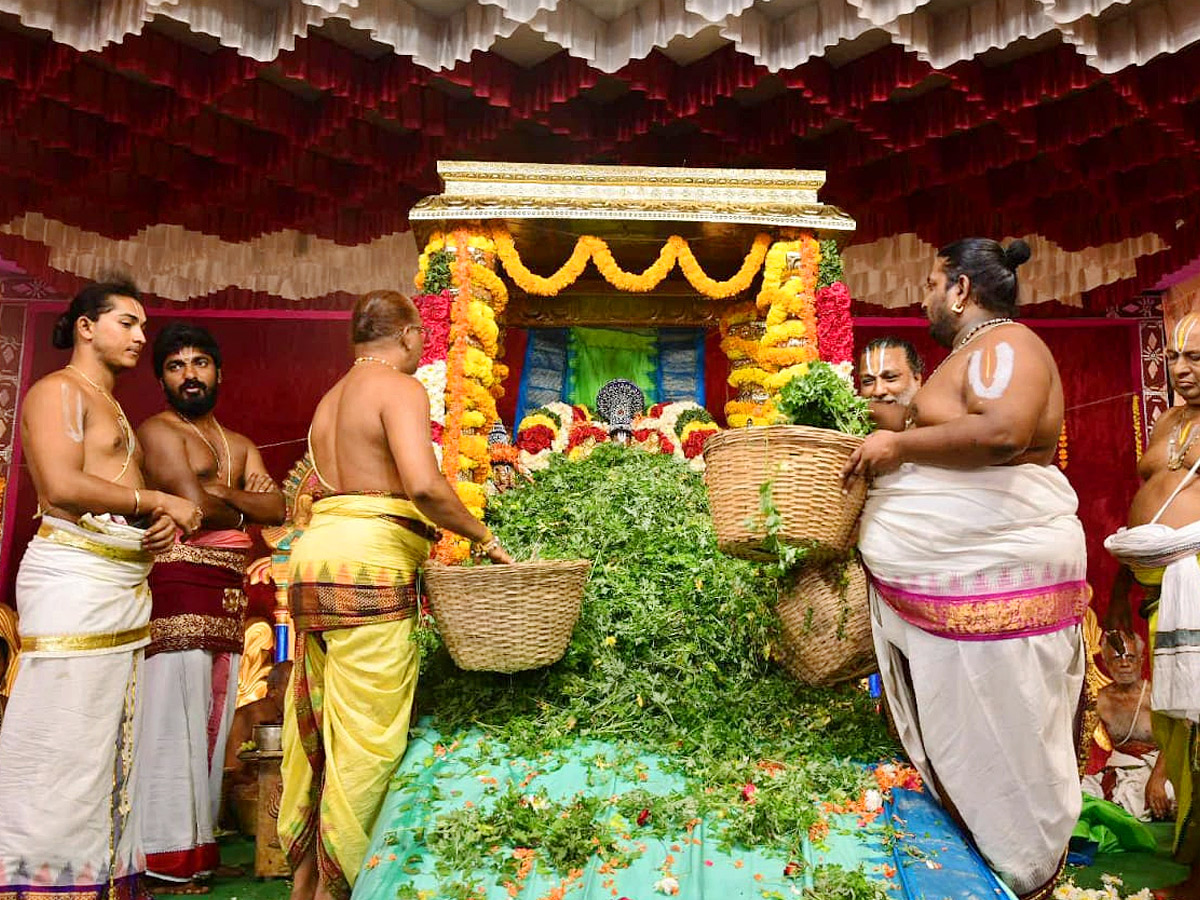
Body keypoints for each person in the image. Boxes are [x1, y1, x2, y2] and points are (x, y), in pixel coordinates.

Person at [845, 238, 1088, 900]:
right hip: (960, 573)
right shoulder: (971, 357)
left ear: (959, 290)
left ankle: (1023, 868)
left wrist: (896, 443)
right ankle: (990, 862)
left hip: (997, 565)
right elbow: (922, 421)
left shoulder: (1008, 347)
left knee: (1007, 730)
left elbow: (1001, 432)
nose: (922, 296)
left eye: (930, 283)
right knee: (971, 729)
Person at [279, 290, 514, 900]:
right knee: (366, 739)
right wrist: (484, 537)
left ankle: (303, 882)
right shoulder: (400, 388)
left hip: (312, 562)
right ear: (410, 335)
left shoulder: (330, 399)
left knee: (317, 731)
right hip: (368, 567)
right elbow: (423, 485)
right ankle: (347, 885)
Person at [0, 280, 202, 900]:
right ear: (86, 326)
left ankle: (90, 881)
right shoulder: (56, 391)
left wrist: (153, 519)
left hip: (114, 582)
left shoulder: (106, 401)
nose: (142, 336)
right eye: (127, 323)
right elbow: (61, 486)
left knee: (103, 742)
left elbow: (111, 489)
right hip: (74, 581)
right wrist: (158, 498)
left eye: (143, 326)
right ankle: (31, 878)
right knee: (60, 739)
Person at [136, 323, 286, 893]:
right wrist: (227, 500)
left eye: (200, 363)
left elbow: (274, 505)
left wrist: (225, 499)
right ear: (162, 379)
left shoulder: (239, 442)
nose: (190, 374)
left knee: (213, 720)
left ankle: (196, 848)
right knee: (172, 720)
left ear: (219, 373)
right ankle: (163, 856)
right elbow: (195, 507)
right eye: (176, 366)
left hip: (224, 592)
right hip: (177, 583)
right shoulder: (158, 431)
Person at [1104, 311, 1200, 899]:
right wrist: (1120, 592)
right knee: (1176, 723)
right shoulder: (1168, 419)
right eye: (1176, 357)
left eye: (1197, 360)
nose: (1182, 369)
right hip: (1156, 593)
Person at [1081, 631, 1165, 820]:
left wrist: (1157, 780)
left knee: (1168, 793)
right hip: (1121, 771)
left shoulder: (1155, 694)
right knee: (1078, 791)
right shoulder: (1100, 699)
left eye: (1130, 657)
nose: (1124, 663)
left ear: (1141, 660)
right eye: (1117, 658)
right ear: (1105, 663)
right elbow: (1079, 742)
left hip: (1158, 770)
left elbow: (1175, 742)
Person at [224, 661, 293, 788]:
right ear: (273, 690)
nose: (298, 692)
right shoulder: (245, 718)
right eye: (292, 684)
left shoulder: (299, 717)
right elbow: (231, 772)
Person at [858, 337, 923, 431]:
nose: (878, 391)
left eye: (890, 377)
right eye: (868, 381)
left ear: (917, 379)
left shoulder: (937, 422)